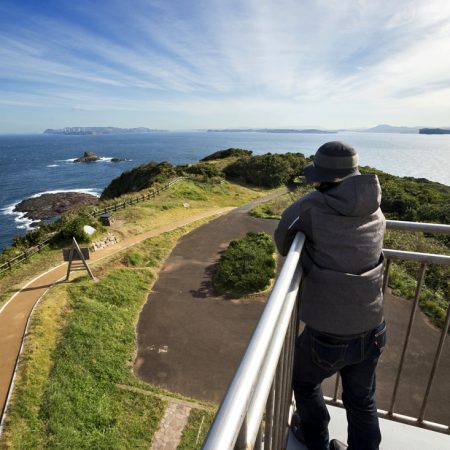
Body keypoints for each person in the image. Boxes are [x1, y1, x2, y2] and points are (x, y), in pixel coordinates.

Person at [274, 141, 386, 450]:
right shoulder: (374, 203)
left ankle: (316, 441)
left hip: (330, 332)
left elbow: (283, 240)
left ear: (325, 177)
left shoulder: (312, 206)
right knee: (361, 398)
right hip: (374, 325)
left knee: (303, 379)